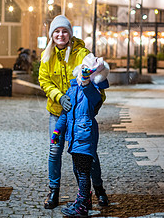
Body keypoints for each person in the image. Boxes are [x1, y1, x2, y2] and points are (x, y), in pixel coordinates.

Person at [38, 15, 108, 210]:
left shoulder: (81, 53)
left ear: (70, 33)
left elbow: (97, 77)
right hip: (57, 112)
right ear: (52, 35)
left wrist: (95, 104)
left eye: (64, 31)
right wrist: (59, 97)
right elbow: (44, 80)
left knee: (87, 153)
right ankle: (54, 190)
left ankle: (99, 190)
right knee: (55, 149)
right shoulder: (47, 54)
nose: (61, 34)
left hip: (78, 117)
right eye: (57, 31)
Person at [51, 54, 110, 217]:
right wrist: (57, 131)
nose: (82, 75)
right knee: (78, 171)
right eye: (82, 71)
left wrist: (86, 82)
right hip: (74, 138)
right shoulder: (72, 88)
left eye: (87, 73)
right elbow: (65, 114)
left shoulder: (93, 91)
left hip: (85, 137)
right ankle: (84, 200)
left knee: (83, 172)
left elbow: (94, 97)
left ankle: (82, 206)